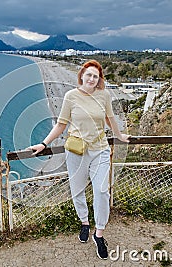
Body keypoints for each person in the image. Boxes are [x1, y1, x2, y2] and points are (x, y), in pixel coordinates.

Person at [28, 59, 130, 260]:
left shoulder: (104, 96)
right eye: (89, 74)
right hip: (76, 152)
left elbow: (110, 118)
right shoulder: (70, 96)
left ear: (99, 79)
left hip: (100, 150)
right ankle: (84, 222)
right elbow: (61, 125)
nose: (92, 78)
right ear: (82, 75)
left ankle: (99, 233)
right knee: (77, 191)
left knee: (102, 190)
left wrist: (119, 136)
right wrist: (44, 143)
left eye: (96, 76)